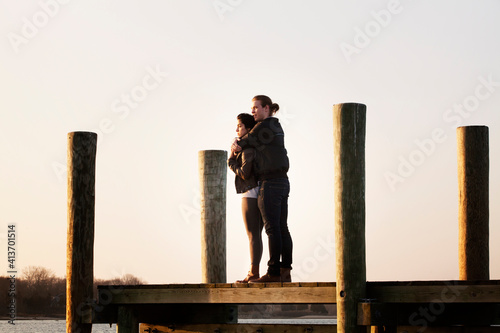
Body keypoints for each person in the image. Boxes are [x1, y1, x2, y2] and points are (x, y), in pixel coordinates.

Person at [232, 95, 292, 283]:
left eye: (255, 107)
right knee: (282, 228)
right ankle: (285, 271)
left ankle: (273, 273)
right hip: (282, 181)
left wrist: (234, 148)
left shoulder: (264, 127)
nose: (253, 111)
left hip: (271, 183)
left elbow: (243, 142)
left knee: (272, 229)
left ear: (266, 108)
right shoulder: (276, 126)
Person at [228, 113, 264, 283]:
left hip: (250, 192)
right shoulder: (250, 147)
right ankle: (254, 271)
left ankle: (253, 273)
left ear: (248, 129)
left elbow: (244, 173)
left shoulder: (247, 149)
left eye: (240, 126)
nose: (237, 129)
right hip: (258, 191)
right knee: (256, 235)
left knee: (252, 235)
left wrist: (231, 159)